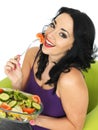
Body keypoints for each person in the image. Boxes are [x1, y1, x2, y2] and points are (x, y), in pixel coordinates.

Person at [3, 6, 97, 130]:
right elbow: (23, 102)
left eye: (62, 34)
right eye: (53, 25)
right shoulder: (33, 54)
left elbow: (75, 126)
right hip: (23, 125)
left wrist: (35, 118)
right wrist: (17, 81)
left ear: (74, 46)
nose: (50, 34)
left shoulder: (70, 79)